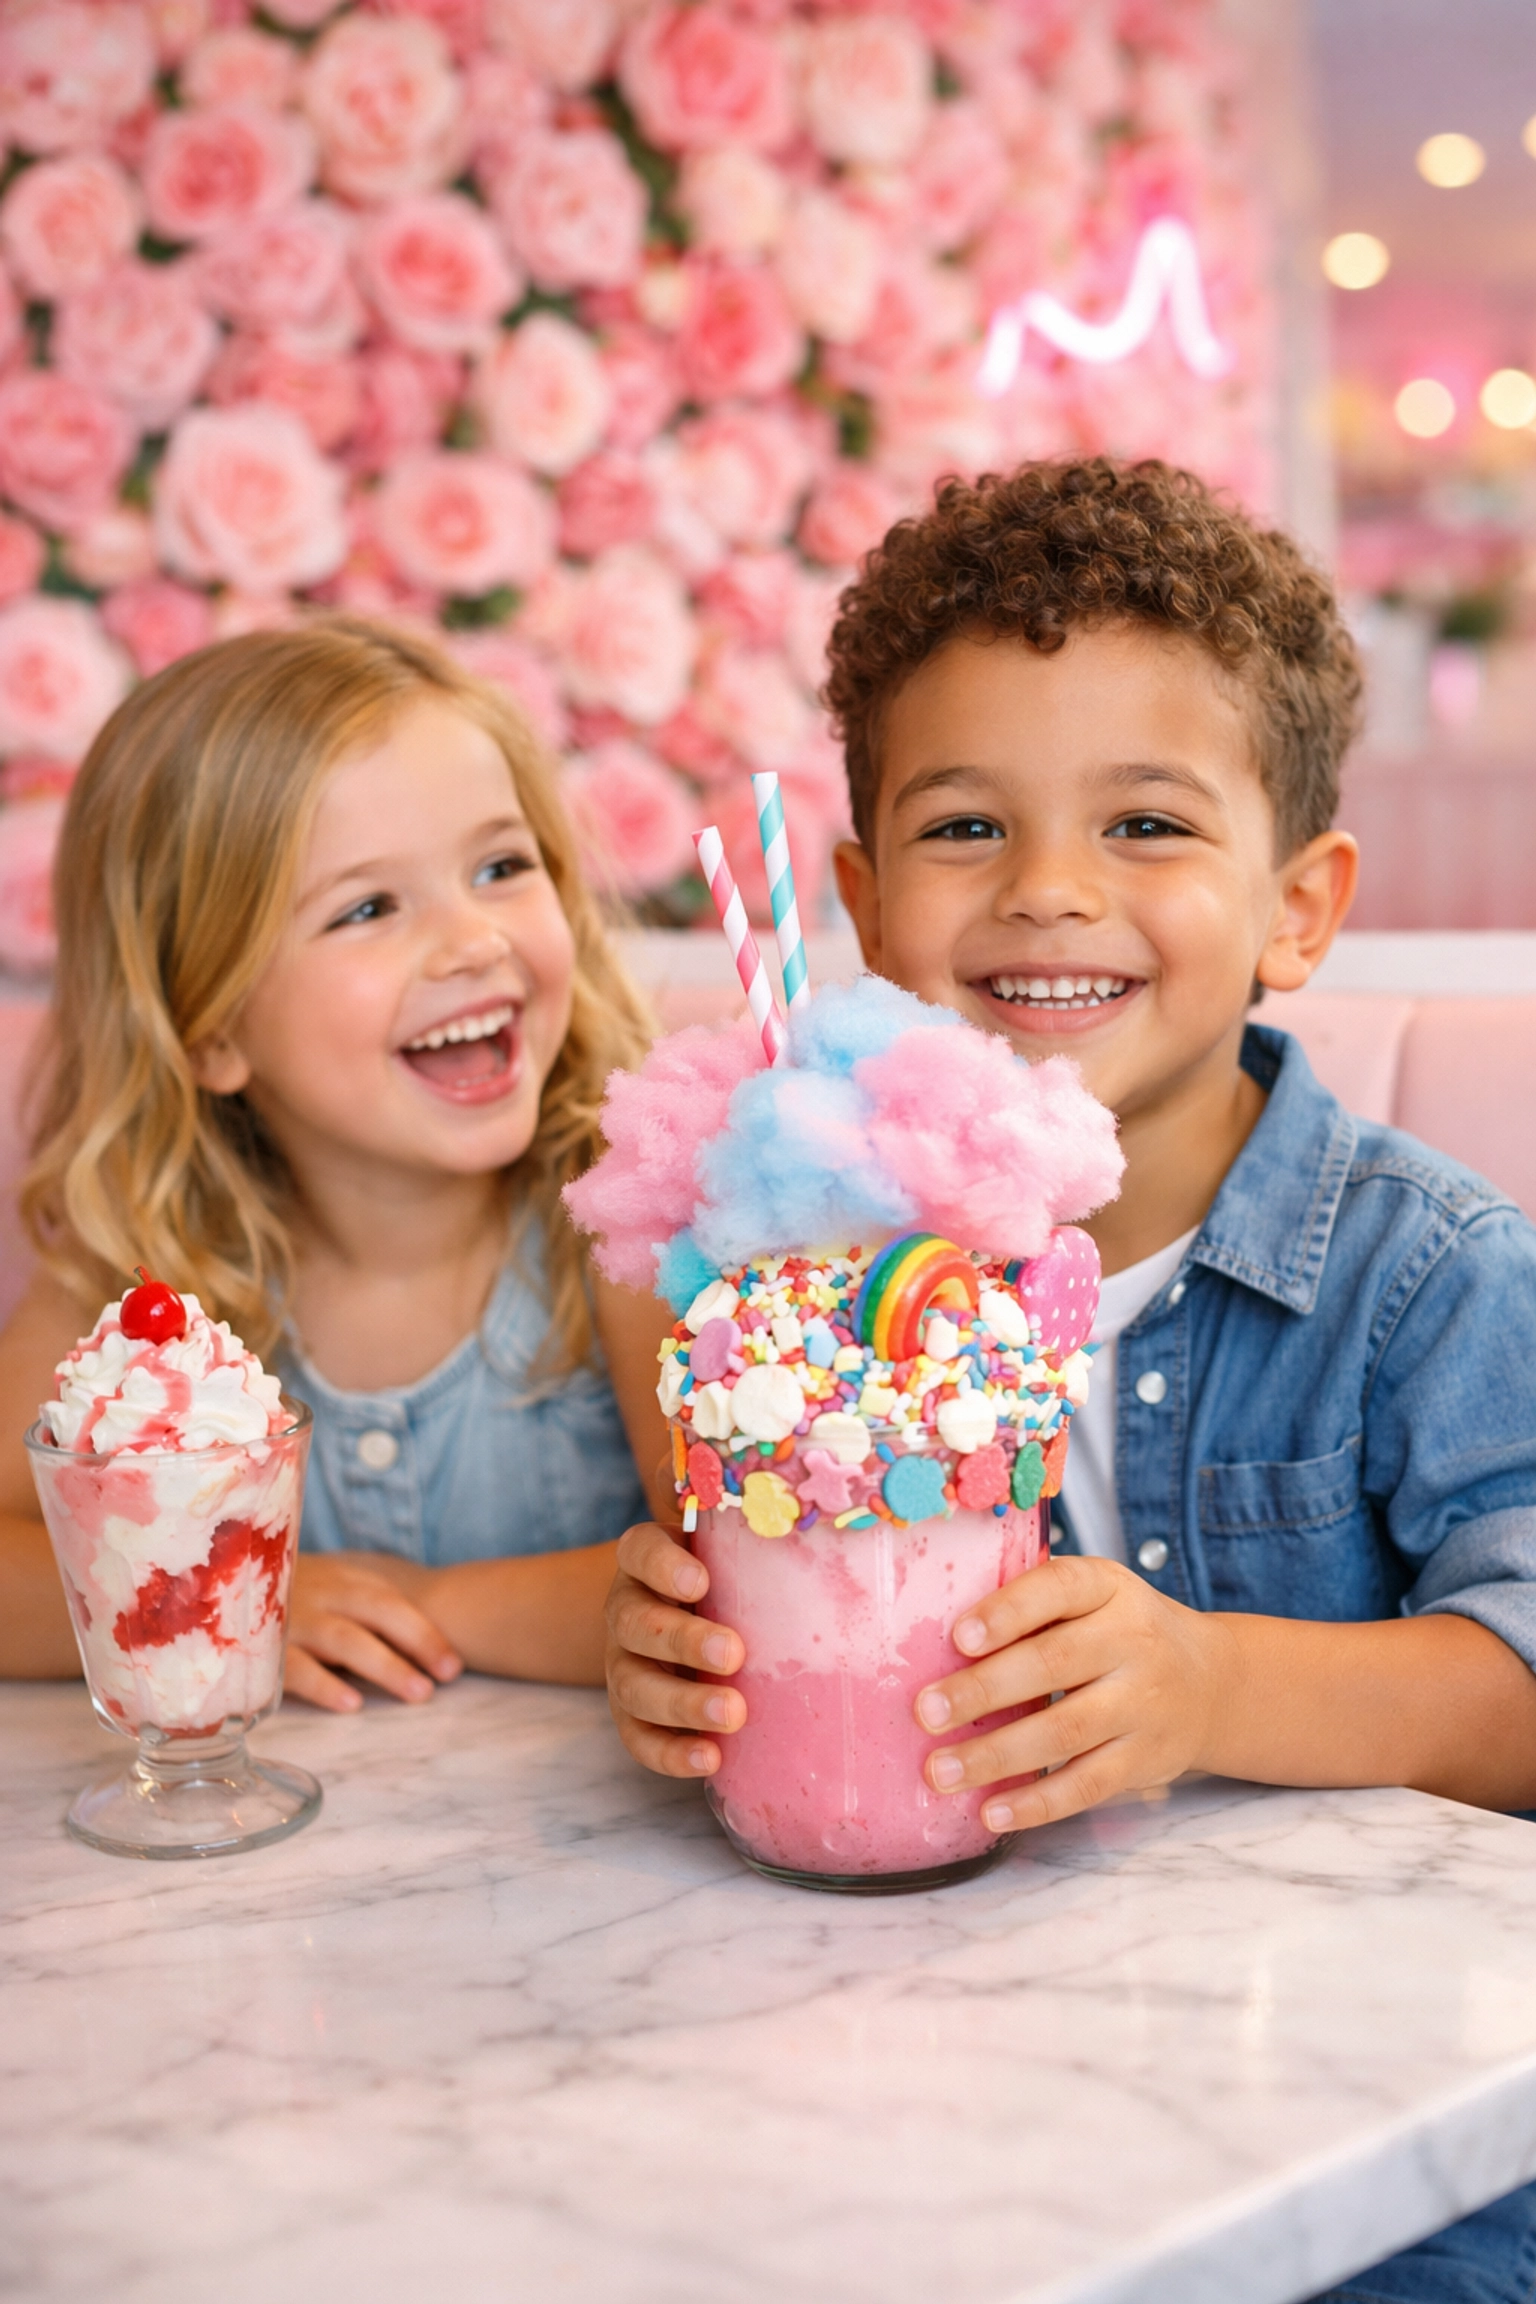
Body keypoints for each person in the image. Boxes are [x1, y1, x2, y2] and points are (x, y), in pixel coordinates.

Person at [601, 458, 1536, 2304]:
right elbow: (754, 1608)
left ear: (1299, 903)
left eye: (1143, 824)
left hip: (1363, 2126)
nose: (1045, 890)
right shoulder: (808, 1278)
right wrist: (684, 1648)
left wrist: (1210, 1683)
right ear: (864, 901)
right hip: (938, 2077)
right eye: (964, 828)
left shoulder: (1424, 1271)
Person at [0, 617, 671, 1710]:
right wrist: (251, 1591)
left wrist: (434, 1605)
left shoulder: (629, 1222)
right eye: (368, 907)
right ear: (208, 1027)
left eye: (502, 866)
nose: (473, 942)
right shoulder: (142, 1287)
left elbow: (728, 1576)